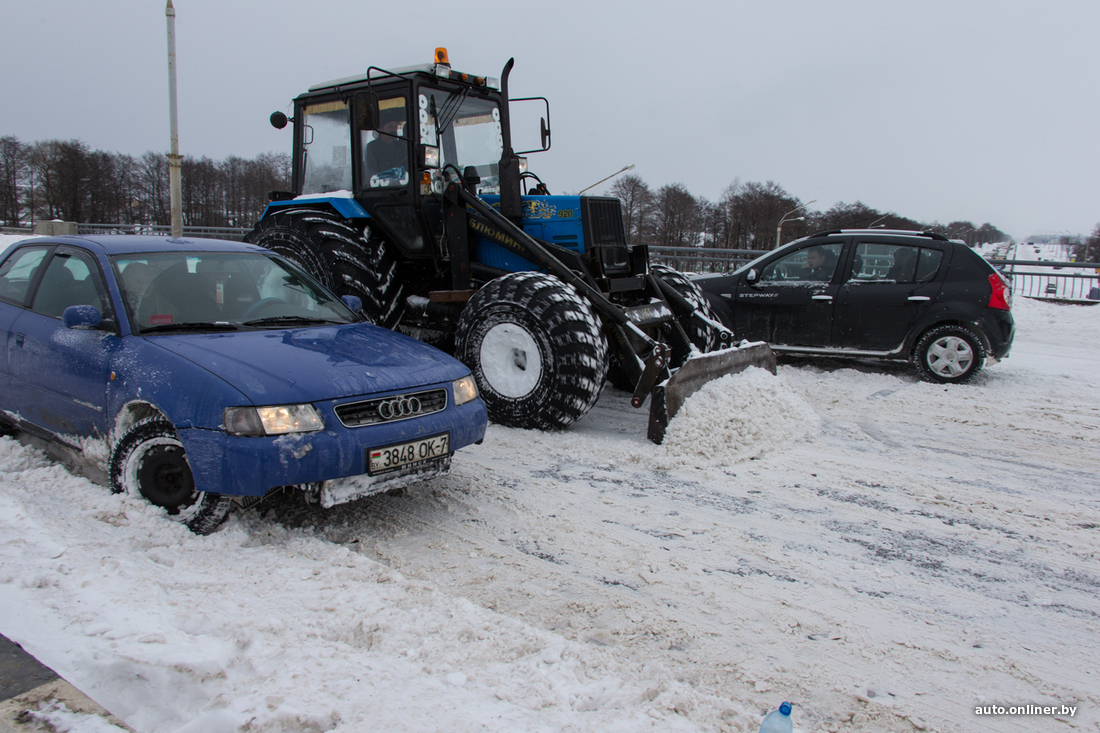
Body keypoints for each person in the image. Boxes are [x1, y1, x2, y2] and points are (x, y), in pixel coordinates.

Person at [365, 113, 408, 184]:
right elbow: (372, 172)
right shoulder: (372, 147)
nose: (394, 130)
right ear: (381, 129)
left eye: (395, 127)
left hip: (402, 185)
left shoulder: (401, 146)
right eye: (390, 126)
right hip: (381, 187)